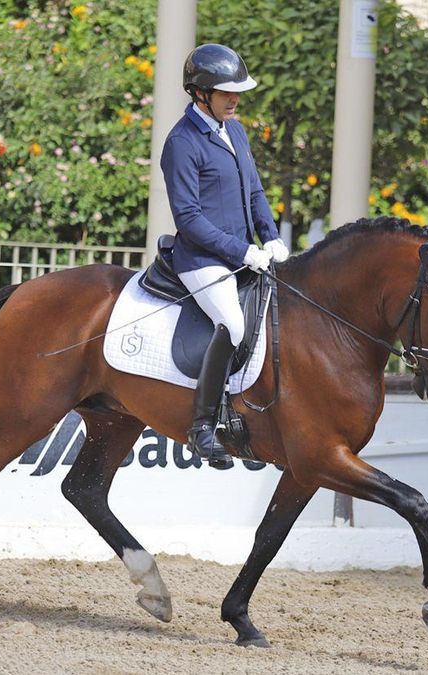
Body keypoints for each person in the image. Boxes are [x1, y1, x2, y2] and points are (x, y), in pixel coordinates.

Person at [160, 43, 289, 467]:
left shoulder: (234, 130)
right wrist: (242, 249)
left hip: (246, 253)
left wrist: (269, 235)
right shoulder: (182, 142)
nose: (236, 100)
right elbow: (189, 218)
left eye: (238, 93)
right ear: (200, 93)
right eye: (227, 93)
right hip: (201, 259)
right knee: (232, 323)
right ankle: (202, 427)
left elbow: (254, 191)